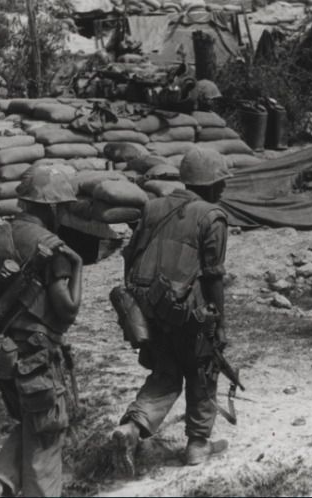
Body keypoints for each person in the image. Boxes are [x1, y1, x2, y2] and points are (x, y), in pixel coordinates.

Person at [0, 166, 82, 497]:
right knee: (48, 430)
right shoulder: (52, 247)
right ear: (53, 207)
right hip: (34, 357)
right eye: (63, 206)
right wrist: (77, 266)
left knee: (32, 423)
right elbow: (67, 309)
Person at [111, 148, 233, 476]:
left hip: (152, 310)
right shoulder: (212, 216)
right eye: (220, 181)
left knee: (165, 373)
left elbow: (130, 256)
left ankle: (132, 430)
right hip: (191, 315)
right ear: (207, 182)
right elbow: (213, 276)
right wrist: (219, 324)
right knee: (202, 372)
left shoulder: (152, 208)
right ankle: (197, 445)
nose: (223, 187)